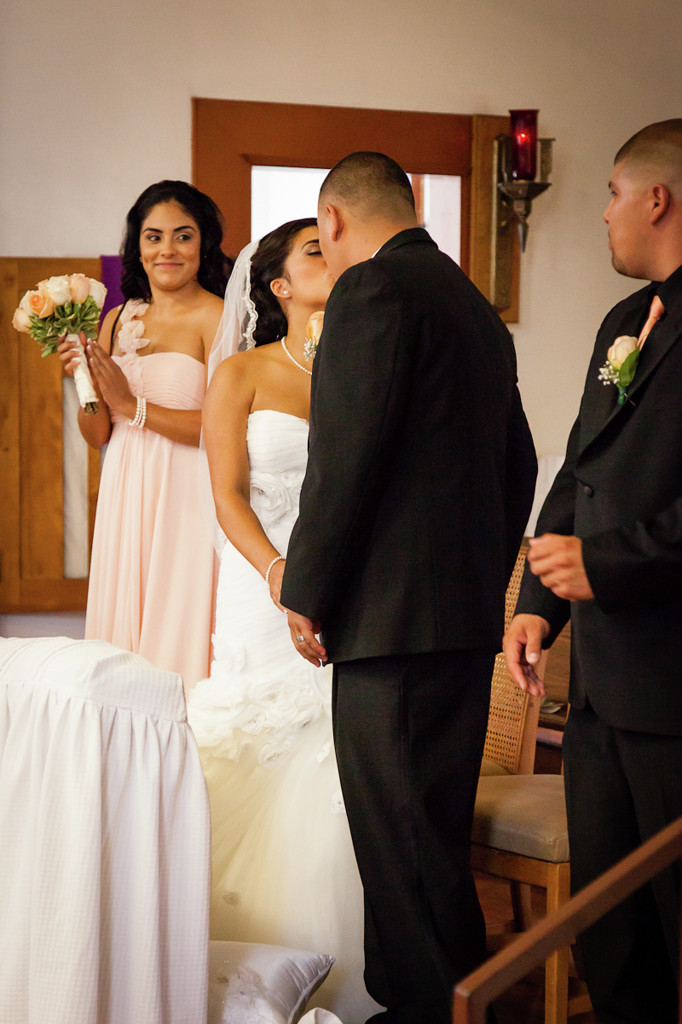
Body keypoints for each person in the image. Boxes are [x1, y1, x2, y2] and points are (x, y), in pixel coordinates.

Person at [279, 152, 537, 1024]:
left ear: (334, 221)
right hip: (456, 620)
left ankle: (438, 1015)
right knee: (426, 838)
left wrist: (307, 587)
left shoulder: (371, 289)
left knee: (402, 847)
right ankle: (432, 1008)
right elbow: (518, 462)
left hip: (390, 624)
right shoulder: (471, 305)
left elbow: (344, 457)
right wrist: (480, 577)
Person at [503, 119, 682, 1024]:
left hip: (674, 686)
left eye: (613, 194)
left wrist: (604, 565)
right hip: (602, 695)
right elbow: (581, 468)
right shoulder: (622, 322)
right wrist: (538, 602)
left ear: (657, 199)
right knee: (612, 937)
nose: (604, 213)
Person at [186, 218, 379, 1023]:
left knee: (332, 769)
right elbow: (227, 494)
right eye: (313, 251)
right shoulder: (241, 373)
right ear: (279, 287)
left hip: (351, 595)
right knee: (249, 752)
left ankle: (343, 971)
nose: (331, 254)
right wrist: (280, 576)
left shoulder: (364, 369)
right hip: (261, 589)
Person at [58, 180, 229, 688]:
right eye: (154, 237)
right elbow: (97, 434)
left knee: (178, 621)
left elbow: (225, 428)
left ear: (203, 244)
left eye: (183, 236)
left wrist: (131, 406)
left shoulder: (219, 317)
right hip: (125, 487)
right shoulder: (116, 318)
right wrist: (85, 382)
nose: (167, 250)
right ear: (137, 246)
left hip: (186, 491)